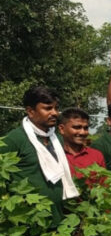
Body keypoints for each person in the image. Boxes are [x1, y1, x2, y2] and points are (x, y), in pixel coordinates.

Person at [0, 87, 79, 225]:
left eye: (56, 108)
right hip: (27, 222)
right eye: (48, 108)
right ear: (30, 111)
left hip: (57, 219)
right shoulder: (15, 140)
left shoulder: (56, 138)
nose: (54, 113)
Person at [58, 107, 106, 181]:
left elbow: (103, 185)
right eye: (77, 127)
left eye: (85, 128)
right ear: (62, 129)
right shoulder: (53, 155)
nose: (82, 132)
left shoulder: (96, 155)